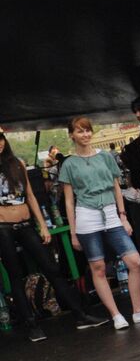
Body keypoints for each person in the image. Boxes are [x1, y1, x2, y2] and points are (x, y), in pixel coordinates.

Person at [58, 116, 140, 330]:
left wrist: (123, 215)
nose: (85, 134)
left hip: (111, 213)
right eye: (80, 131)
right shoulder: (69, 164)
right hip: (86, 215)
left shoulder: (106, 157)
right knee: (98, 267)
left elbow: (117, 187)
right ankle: (116, 315)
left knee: (134, 262)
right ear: (71, 135)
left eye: (87, 130)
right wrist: (73, 232)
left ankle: (138, 311)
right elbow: (69, 201)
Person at [0, 129, 107, 340]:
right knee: (14, 275)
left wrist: (43, 225)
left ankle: (80, 314)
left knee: (51, 267)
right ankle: (31, 325)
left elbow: (30, 195)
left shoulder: (17, 163)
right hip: (3, 227)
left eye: (0, 139)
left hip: (25, 222)